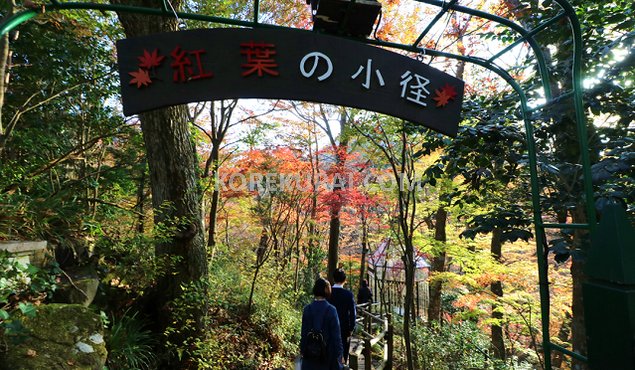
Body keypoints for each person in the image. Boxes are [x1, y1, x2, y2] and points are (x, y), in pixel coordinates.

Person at [301, 277, 344, 370]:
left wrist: (303, 350)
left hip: (310, 354)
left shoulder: (307, 309)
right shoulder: (331, 310)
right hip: (327, 355)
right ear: (327, 290)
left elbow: (303, 333)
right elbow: (336, 336)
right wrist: (340, 354)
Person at [327, 269, 356, 364]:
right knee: (343, 352)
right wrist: (351, 328)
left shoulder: (328, 293)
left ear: (333, 279)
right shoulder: (348, 294)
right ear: (344, 280)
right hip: (344, 327)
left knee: (329, 350)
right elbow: (352, 313)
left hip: (329, 326)